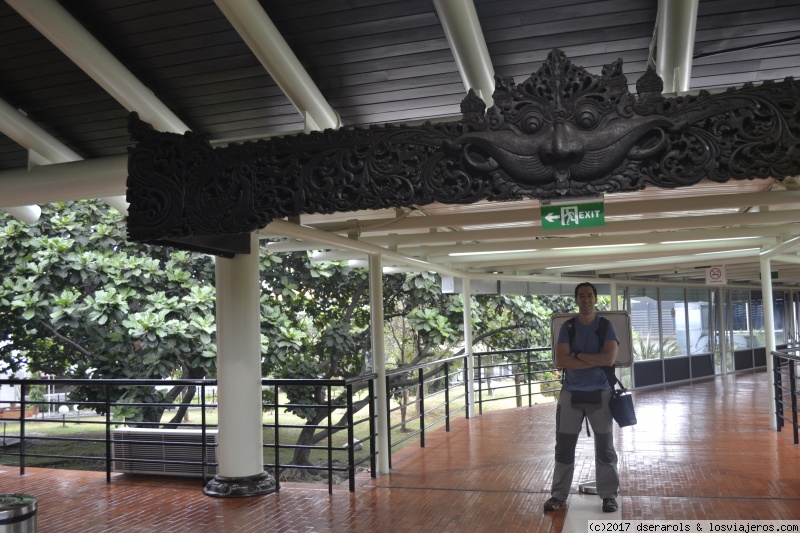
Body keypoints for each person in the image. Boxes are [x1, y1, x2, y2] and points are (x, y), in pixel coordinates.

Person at [543, 282, 620, 513]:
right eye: (581, 296)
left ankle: (608, 496)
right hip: (571, 394)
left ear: (595, 299)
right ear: (576, 300)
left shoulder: (606, 326)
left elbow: (609, 359)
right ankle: (558, 495)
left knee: (605, 448)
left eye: (589, 296)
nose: (585, 300)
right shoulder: (567, 327)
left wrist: (576, 355)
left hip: (601, 393)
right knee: (564, 447)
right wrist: (592, 358)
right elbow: (562, 361)